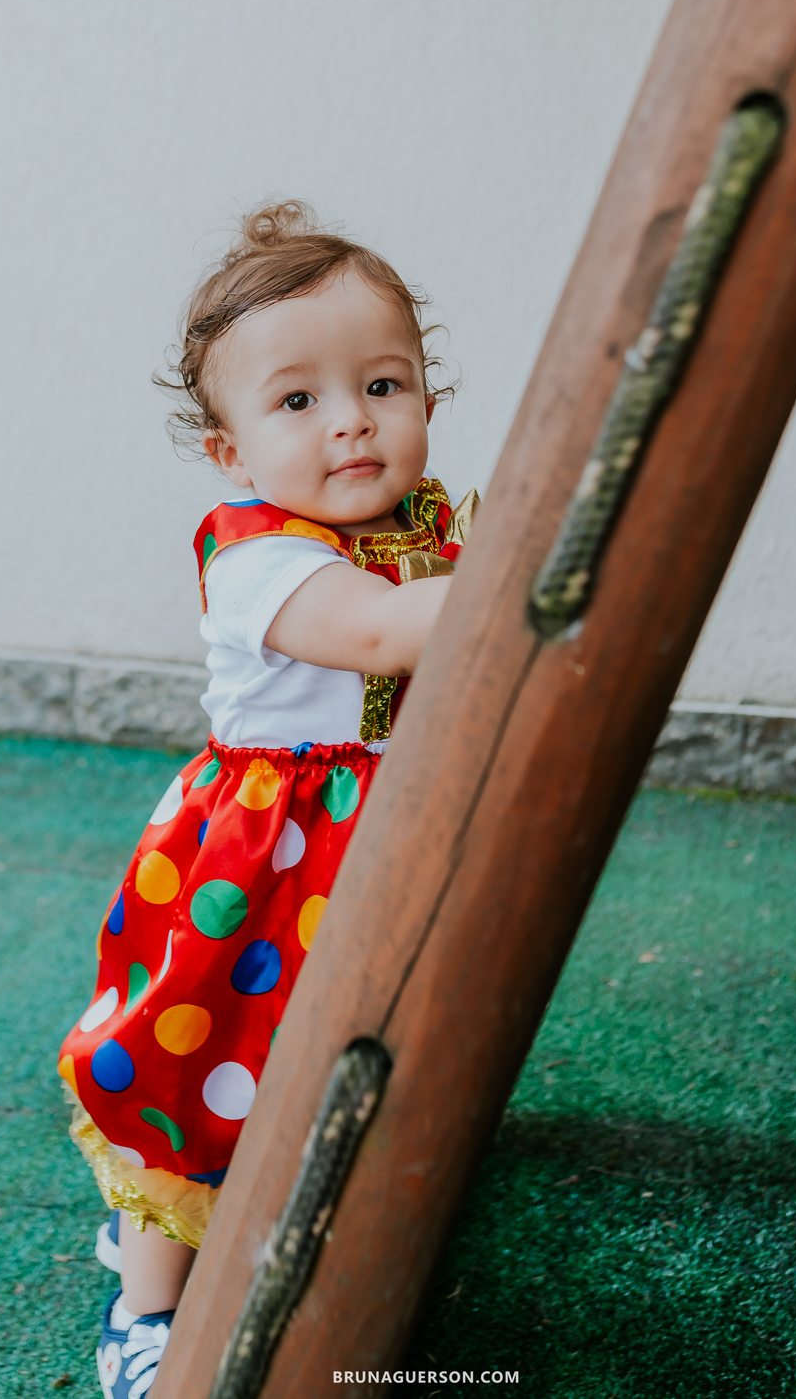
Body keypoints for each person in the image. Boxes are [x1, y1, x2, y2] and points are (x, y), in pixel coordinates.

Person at [56, 203, 472, 1399]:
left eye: (384, 383)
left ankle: (322, 1198)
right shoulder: (258, 559)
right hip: (265, 871)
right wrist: (527, 568)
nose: (351, 418)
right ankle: (147, 1309)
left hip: (374, 847)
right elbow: (388, 631)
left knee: (348, 1057)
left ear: (426, 400)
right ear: (231, 452)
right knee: (196, 1092)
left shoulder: (427, 523)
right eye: (298, 401)